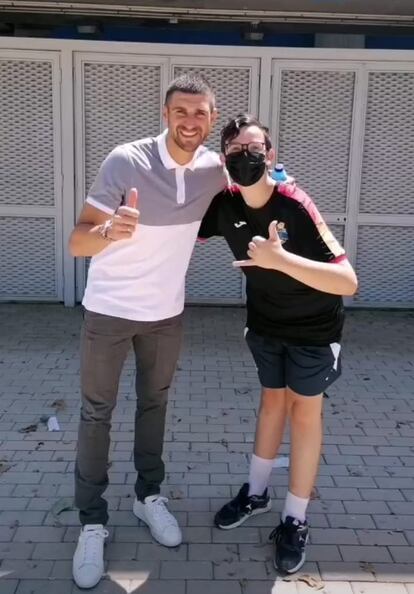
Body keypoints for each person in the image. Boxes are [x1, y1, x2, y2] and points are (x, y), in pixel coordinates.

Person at [68, 73, 228, 589]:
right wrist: (107, 231)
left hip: (165, 315)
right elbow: (77, 241)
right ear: (165, 114)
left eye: (200, 113)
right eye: (181, 112)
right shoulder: (126, 160)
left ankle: (147, 497)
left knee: (154, 406)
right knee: (97, 413)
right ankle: (92, 521)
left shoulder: (213, 169)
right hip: (110, 311)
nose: (190, 122)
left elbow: (260, 190)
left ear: (211, 119)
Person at [198, 114, 358, 575]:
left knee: (303, 414)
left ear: (270, 155)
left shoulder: (295, 205)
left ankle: (295, 518)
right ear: (224, 160)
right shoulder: (224, 205)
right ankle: (256, 493)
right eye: (236, 151)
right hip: (266, 326)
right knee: (271, 405)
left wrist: (280, 259)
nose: (246, 158)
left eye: (255, 149)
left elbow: (348, 281)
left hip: (313, 331)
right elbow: (179, 229)